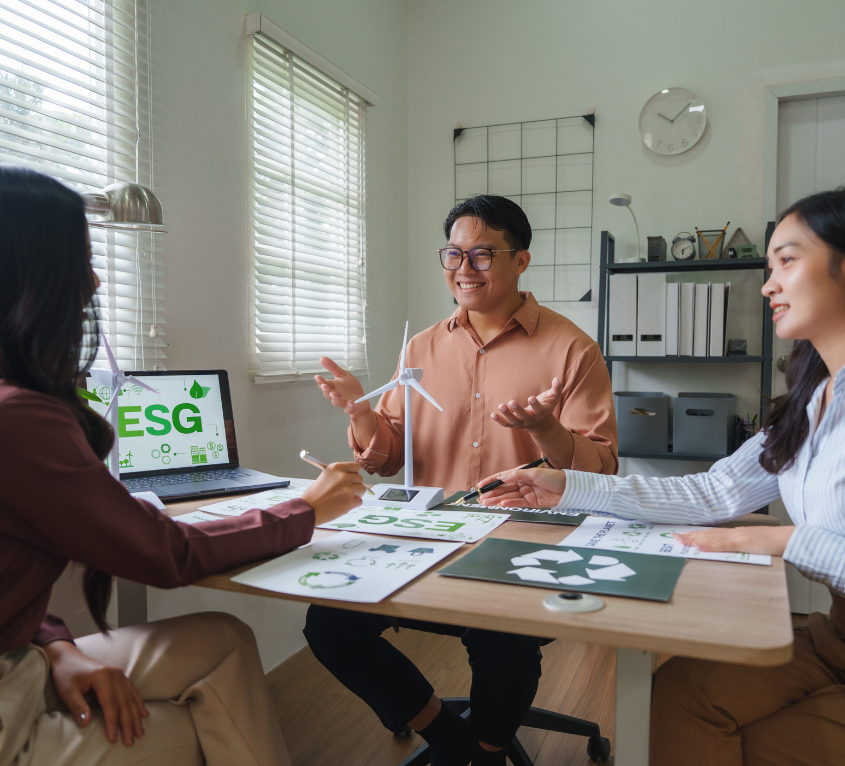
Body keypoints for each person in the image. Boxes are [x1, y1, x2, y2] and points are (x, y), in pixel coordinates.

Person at [0, 166, 366, 766]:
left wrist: (56, 647)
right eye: (80, 261)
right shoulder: (21, 418)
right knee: (203, 715)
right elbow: (168, 554)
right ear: (27, 276)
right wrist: (304, 508)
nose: (94, 282)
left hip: (22, 658)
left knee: (222, 642)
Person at [478, 188, 845, 766]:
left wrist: (776, 538)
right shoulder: (813, 399)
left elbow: (760, 526)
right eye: (769, 265)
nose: (767, 285)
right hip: (835, 640)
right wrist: (566, 484)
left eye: (788, 261)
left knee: (749, 744)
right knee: (670, 703)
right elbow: (711, 490)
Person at [306, 195, 618, 765]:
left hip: (521, 542)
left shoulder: (572, 348)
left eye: (481, 255)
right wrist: (360, 414)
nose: (463, 270)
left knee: (503, 643)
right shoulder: (421, 347)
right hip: (424, 541)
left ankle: (488, 748)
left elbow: (601, 468)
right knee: (329, 625)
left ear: (520, 261)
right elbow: (386, 458)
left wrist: (548, 430)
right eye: (453, 254)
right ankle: (455, 743)